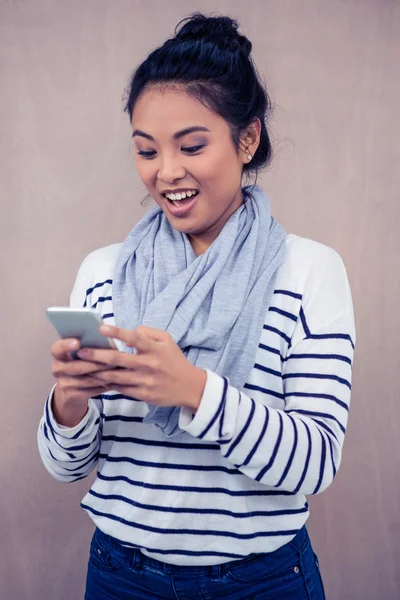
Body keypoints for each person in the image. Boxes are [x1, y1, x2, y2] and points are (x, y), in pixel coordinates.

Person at [38, 13, 355, 600]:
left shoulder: (309, 270)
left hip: (259, 583)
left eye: (191, 145)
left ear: (248, 139)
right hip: (120, 577)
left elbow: (315, 465)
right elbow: (66, 467)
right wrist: (70, 401)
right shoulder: (104, 273)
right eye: (146, 150)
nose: (166, 172)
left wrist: (193, 390)